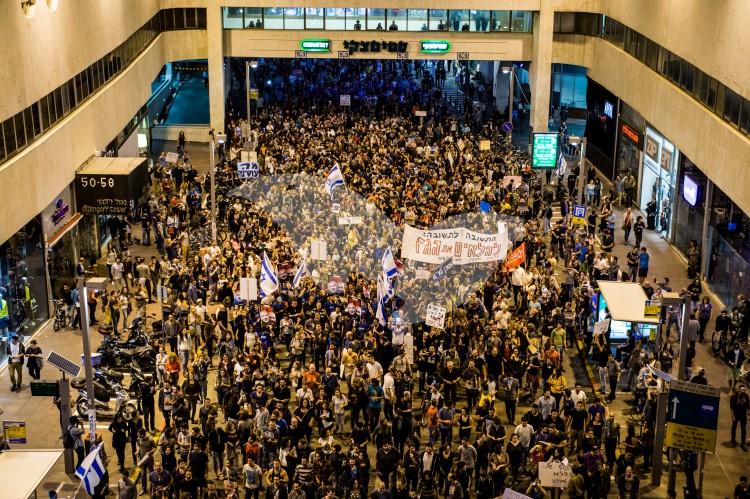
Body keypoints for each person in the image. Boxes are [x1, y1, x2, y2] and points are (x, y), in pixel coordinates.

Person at [730, 384, 749, 450]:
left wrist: (749, 414)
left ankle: (743, 443)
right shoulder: (734, 397)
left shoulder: (746, 396)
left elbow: (748, 407)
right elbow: (731, 408)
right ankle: (733, 439)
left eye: (744, 390)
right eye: (742, 390)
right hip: (736, 414)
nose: (743, 391)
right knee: (734, 427)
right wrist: (732, 416)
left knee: (743, 429)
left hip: (743, 415)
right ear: (739, 390)